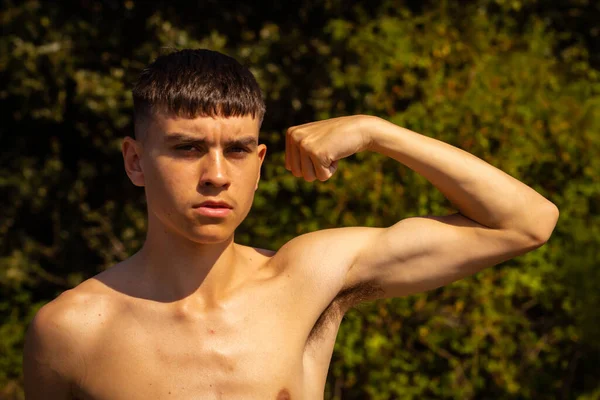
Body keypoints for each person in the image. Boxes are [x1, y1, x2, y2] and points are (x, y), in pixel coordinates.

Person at [22, 49, 559, 400]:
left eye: (236, 151)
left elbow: (526, 222)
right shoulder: (71, 330)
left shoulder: (309, 278)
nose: (215, 176)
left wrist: (377, 131)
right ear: (135, 161)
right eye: (187, 149)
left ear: (259, 164)